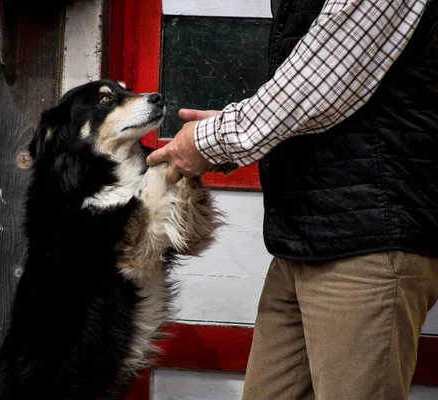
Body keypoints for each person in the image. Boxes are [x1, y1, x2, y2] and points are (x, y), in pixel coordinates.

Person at [145, 0, 438, 399]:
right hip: (303, 236)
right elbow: (311, 97)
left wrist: (212, 140)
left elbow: (320, 81)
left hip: (367, 240)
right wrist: (240, 130)